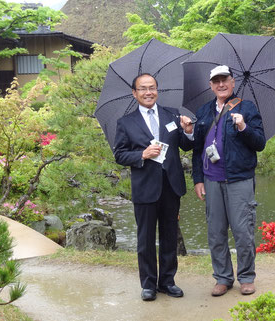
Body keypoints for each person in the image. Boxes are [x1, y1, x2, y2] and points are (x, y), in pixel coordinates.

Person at [113, 73, 194, 301]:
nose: (148, 92)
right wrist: (142, 154)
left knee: (169, 236)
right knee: (145, 238)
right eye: (143, 88)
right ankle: (148, 284)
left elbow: (187, 146)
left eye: (152, 88)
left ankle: (167, 281)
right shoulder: (126, 122)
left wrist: (188, 131)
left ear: (157, 90)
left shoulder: (172, 115)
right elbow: (119, 154)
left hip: (171, 186)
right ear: (134, 93)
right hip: (145, 187)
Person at [191, 65, 266, 297]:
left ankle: (246, 277)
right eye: (216, 81)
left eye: (225, 80)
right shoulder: (203, 111)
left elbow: (260, 143)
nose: (221, 85)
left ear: (233, 82)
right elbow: (196, 149)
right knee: (215, 232)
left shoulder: (247, 108)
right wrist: (198, 179)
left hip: (239, 179)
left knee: (243, 231)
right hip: (211, 180)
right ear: (211, 85)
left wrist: (243, 127)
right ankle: (223, 278)